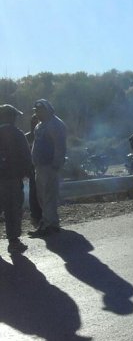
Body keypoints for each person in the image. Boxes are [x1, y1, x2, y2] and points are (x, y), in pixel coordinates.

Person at [28, 99, 67, 238]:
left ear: (48, 110)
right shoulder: (40, 125)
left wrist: (56, 163)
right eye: (36, 111)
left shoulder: (55, 124)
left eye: (40, 110)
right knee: (42, 196)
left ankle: (49, 225)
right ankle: (49, 223)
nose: (37, 113)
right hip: (40, 166)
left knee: (49, 195)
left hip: (49, 166)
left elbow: (60, 146)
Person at [0, 104, 34, 253]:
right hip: (12, 179)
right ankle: (13, 242)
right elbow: (26, 156)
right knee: (12, 210)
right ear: (10, 117)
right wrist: (28, 173)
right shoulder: (17, 134)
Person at [24, 114, 43, 227]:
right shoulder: (27, 137)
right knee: (33, 194)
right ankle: (35, 216)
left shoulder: (43, 135)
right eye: (33, 122)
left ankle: (44, 217)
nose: (34, 124)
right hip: (32, 169)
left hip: (43, 168)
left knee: (43, 193)